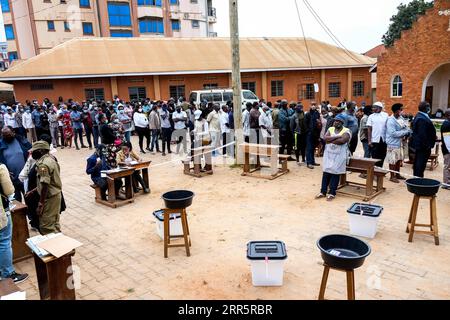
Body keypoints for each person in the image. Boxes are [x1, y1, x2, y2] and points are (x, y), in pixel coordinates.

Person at [0, 163, 29, 283]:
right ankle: (8, 274)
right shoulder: (0, 168)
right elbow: (9, 190)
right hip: (1, 210)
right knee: (4, 241)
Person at [316, 114, 351, 201]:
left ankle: (332, 193)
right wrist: (337, 136)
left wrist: (330, 140)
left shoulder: (347, 130)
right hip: (329, 155)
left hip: (339, 156)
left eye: (339, 121)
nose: (336, 122)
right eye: (335, 121)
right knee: (326, 172)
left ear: (342, 123)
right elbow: (325, 138)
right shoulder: (330, 129)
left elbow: (342, 141)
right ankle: (323, 191)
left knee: (335, 173)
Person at [31, 141, 62, 235]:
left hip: (49, 198)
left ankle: (53, 248)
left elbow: (45, 184)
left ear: (40, 151)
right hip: (56, 195)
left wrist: (41, 203)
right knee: (55, 222)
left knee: (46, 226)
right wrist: (34, 190)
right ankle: (61, 245)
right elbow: (51, 180)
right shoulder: (51, 159)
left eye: (34, 151)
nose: (32, 153)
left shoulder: (43, 165)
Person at [0, 126, 31, 202]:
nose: (6, 137)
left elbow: (31, 150)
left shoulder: (21, 140)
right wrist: (5, 172)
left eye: (8, 135)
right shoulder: (1, 144)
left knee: (30, 201)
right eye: (4, 135)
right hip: (11, 180)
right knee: (16, 204)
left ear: (13, 132)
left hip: (25, 178)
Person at [386, 103, 412, 183]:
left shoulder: (400, 118)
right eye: (401, 109)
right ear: (397, 111)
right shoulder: (391, 120)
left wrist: (406, 131)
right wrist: (405, 132)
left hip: (400, 143)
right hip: (392, 143)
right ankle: (392, 176)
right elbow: (393, 133)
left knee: (398, 159)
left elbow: (406, 127)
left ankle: (397, 174)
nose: (402, 111)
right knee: (392, 160)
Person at [411, 101, 437, 178]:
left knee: (420, 163)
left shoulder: (421, 116)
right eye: (428, 106)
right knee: (420, 164)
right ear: (426, 108)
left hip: (421, 145)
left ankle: (418, 177)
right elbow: (422, 135)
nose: (429, 108)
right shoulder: (421, 118)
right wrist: (427, 145)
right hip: (423, 146)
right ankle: (418, 179)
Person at [367, 102, 389, 168]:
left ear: (380, 108)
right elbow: (369, 129)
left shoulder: (385, 115)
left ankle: (380, 170)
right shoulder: (371, 116)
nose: (373, 108)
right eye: (373, 107)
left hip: (383, 139)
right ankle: (375, 172)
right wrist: (369, 141)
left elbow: (388, 127)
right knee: (375, 156)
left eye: (375, 107)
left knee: (383, 155)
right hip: (375, 139)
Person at [305, 102, 321, 169]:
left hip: (315, 134)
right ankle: (309, 163)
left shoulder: (317, 113)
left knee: (313, 148)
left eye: (315, 104)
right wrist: (308, 131)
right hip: (309, 134)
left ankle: (312, 161)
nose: (313, 106)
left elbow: (319, 123)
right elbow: (305, 124)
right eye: (312, 105)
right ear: (310, 105)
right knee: (309, 148)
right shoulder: (308, 114)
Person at [441, 109, 450, 190]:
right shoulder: (446, 125)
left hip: (448, 149)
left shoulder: (448, 123)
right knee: (447, 166)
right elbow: (447, 140)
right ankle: (445, 183)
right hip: (447, 149)